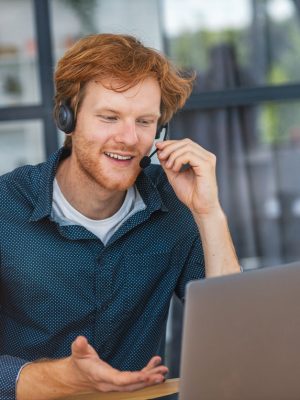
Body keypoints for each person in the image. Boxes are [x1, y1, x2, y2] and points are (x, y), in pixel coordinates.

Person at [0, 33, 240, 400]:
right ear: (68, 117)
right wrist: (54, 379)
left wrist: (209, 212)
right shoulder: (5, 207)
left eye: (144, 121)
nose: (129, 138)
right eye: (110, 117)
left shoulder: (177, 205)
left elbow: (234, 337)